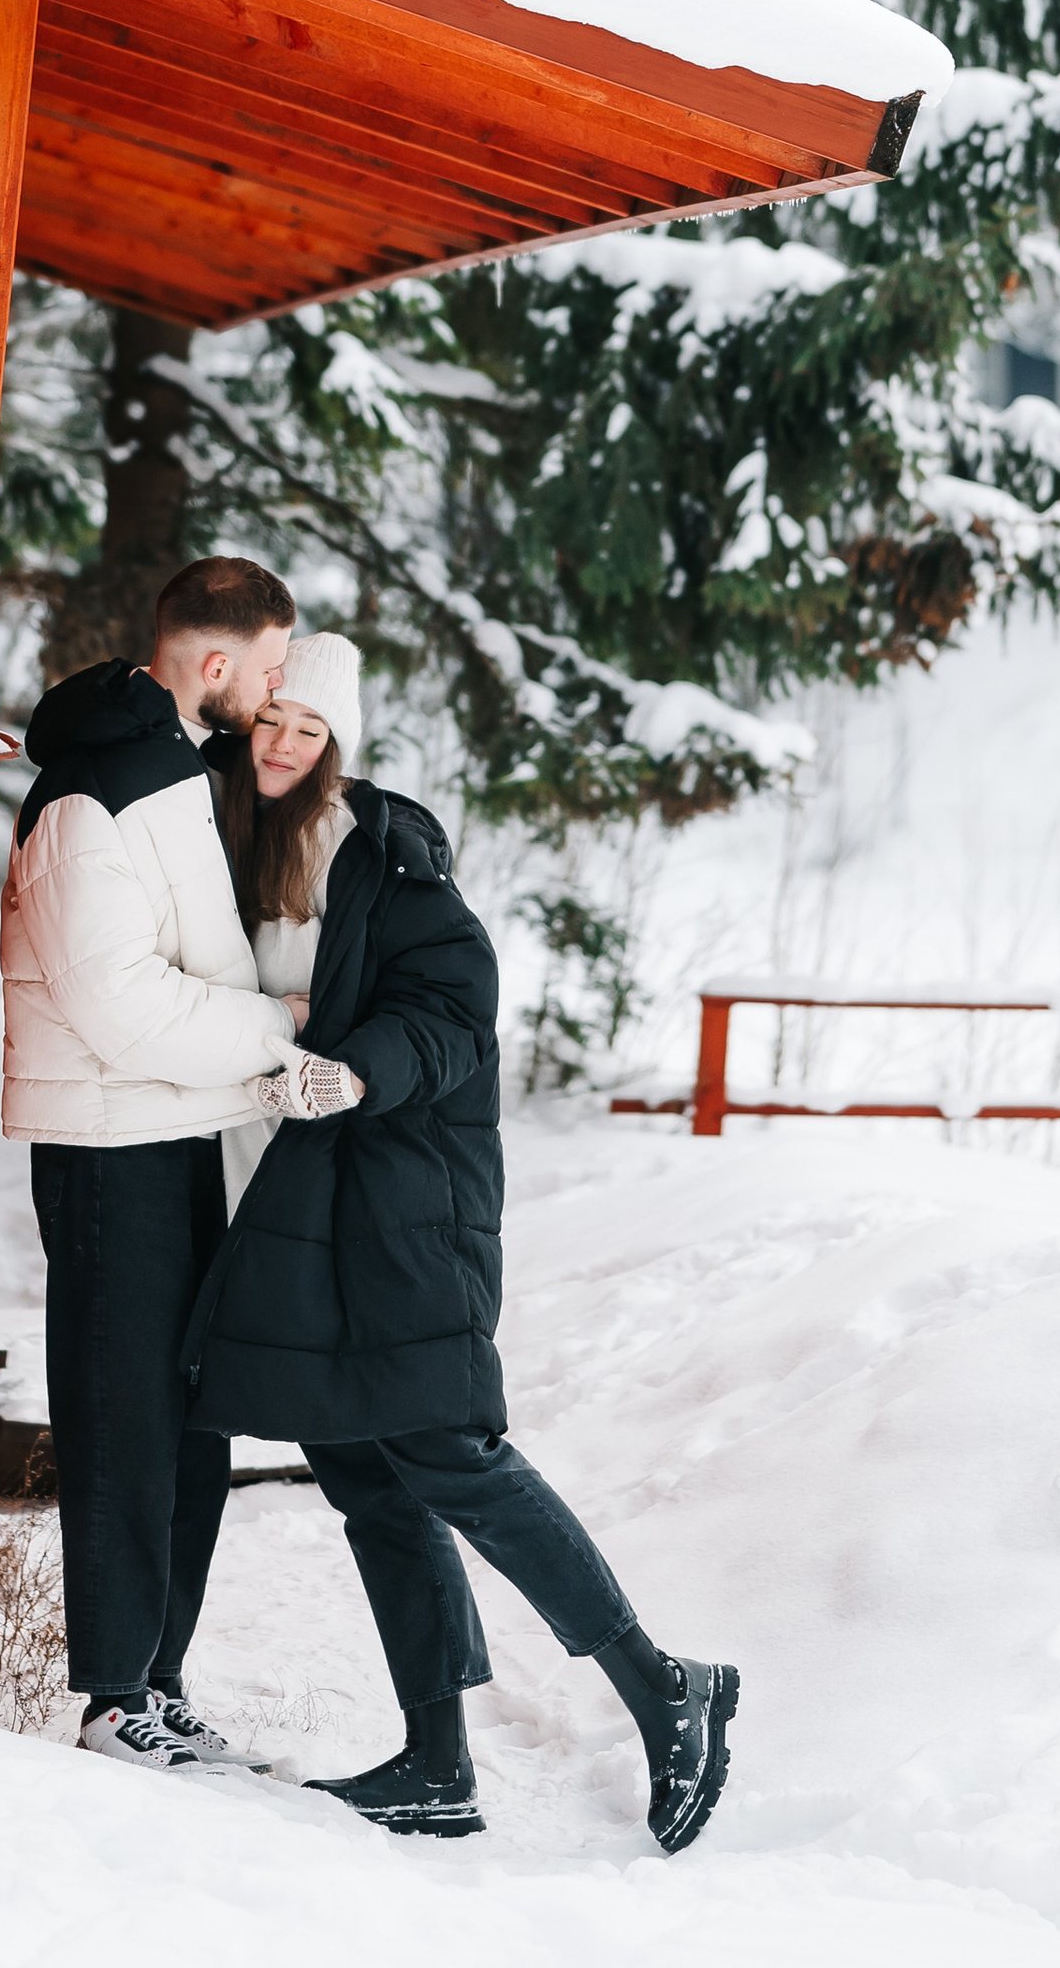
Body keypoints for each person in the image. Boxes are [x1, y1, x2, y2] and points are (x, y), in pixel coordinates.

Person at [184, 631, 739, 1852]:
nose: (283, 745)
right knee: (368, 1479)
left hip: (400, 1207)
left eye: (309, 731)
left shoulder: (385, 855)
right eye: (269, 725)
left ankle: (663, 1686)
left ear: (340, 746)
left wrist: (350, 1074)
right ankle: (436, 1763)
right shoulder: (225, 844)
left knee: (449, 1453)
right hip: (294, 1214)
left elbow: (451, 1016)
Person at [1, 556, 307, 1772]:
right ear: (217, 664)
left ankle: (158, 1677)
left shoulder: (177, 768)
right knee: (124, 1420)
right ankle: (113, 1697)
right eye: (272, 670)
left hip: (172, 1133)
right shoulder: (97, 789)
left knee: (188, 1424)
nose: (277, 696)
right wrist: (275, 1032)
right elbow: (118, 1003)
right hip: (105, 1149)